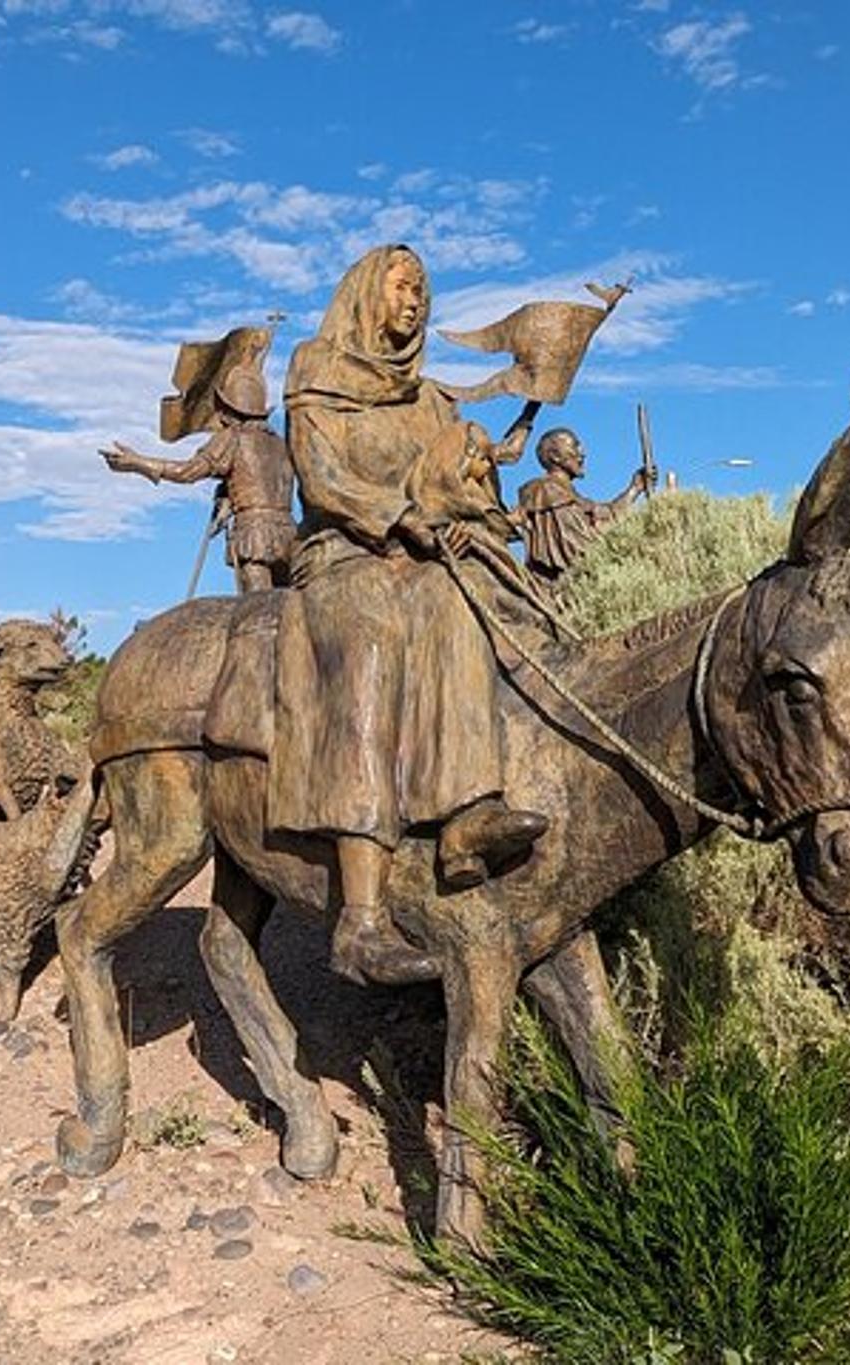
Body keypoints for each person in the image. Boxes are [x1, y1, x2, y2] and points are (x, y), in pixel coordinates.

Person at [271, 244, 547, 985]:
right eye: (402, 285)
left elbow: (458, 472)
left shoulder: (430, 399)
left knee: (462, 607)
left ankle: (466, 816)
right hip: (344, 555)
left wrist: (464, 513)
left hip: (422, 561)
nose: (416, 299)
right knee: (372, 632)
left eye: (423, 288)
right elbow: (322, 479)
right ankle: (360, 919)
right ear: (367, 294)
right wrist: (397, 515)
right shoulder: (315, 371)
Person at [103, 367, 296, 592]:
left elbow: (187, 472)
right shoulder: (282, 445)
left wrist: (137, 462)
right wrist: (227, 491)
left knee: (258, 613)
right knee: (288, 614)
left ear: (227, 410)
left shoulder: (232, 438)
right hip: (289, 537)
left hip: (253, 537)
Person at [511, 427, 653, 586]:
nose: (582, 453)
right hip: (564, 590)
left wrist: (635, 488)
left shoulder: (568, 495)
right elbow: (581, 547)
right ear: (555, 456)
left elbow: (605, 513)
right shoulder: (549, 493)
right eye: (575, 446)